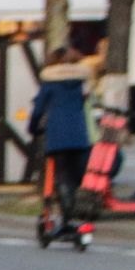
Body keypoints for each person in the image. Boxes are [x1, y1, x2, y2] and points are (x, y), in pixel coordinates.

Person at [33, 39, 104, 236]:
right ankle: (74, 217)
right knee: (75, 178)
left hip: (58, 137)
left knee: (63, 177)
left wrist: (33, 127)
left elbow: (39, 109)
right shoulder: (81, 83)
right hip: (80, 136)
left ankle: (65, 222)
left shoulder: (49, 83)